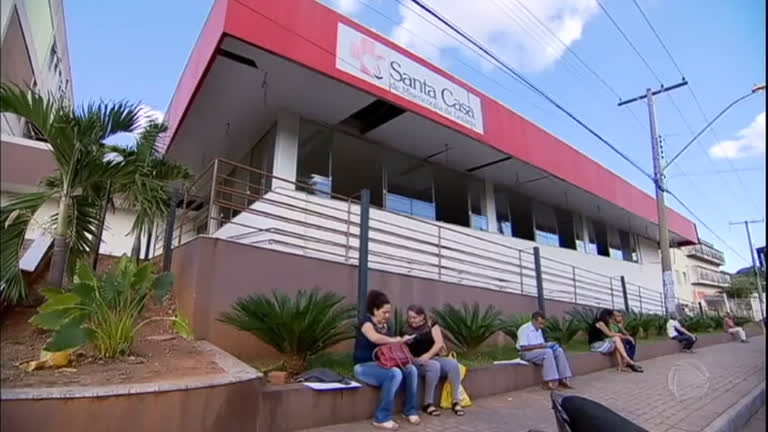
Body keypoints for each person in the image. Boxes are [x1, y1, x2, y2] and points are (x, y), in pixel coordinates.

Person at [353, 290, 421, 430]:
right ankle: (381, 418)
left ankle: (410, 410)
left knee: (411, 370)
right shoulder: (366, 323)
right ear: (374, 310)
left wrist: (403, 341)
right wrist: (395, 340)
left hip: (384, 363)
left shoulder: (386, 326)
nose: (387, 315)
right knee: (394, 373)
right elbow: (375, 338)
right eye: (384, 312)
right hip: (364, 367)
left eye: (389, 312)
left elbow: (390, 347)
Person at [402, 305, 465, 417]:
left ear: (422, 316)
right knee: (434, 366)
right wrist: (406, 341)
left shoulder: (431, 324)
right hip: (416, 360)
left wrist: (428, 355)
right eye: (409, 317)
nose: (412, 320)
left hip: (432, 357)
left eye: (414, 317)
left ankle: (456, 400)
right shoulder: (405, 330)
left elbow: (439, 343)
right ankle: (428, 403)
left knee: (453, 364)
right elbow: (403, 349)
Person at [517, 311, 574, 390]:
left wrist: (549, 345)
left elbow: (542, 344)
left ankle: (564, 378)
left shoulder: (539, 330)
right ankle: (549, 381)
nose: (542, 326)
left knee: (559, 351)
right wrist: (541, 346)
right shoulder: (524, 329)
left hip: (539, 352)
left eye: (543, 324)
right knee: (547, 352)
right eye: (540, 323)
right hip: (526, 353)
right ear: (533, 320)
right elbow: (523, 347)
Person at [588, 308, 643, 373]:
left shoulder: (605, 323)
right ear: (607, 316)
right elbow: (609, 334)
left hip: (602, 343)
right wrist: (622, 335)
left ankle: (621, 366)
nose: (611, 319)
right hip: (595, 345)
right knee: (617, 339)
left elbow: (617, 332)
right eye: (611, 317)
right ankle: (627, 359)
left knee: (617, 344)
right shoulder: (600, 323)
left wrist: (624, 333)